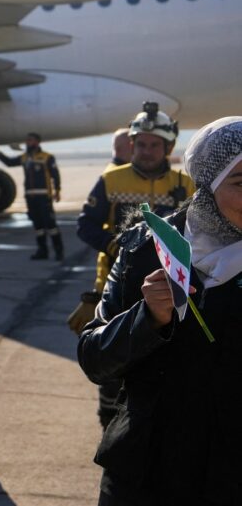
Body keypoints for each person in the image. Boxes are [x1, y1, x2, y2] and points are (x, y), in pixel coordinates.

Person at [77, 116, 242, 506]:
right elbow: (94, 359)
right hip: (147, 472)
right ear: (208, 184)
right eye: (240, 183)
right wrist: (148, 318)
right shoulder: (146, 248)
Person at [74, 101, 195, 427]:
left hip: (170, 295)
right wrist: (114, 244)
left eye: (155, 144)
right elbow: (85, 225)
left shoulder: (187, 184)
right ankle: (112, 444)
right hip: (117, 288)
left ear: (168, 147)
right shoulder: (111, 180)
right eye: (140, 144)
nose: (146, 150)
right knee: (112, 381)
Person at [0, 132, 63, 261]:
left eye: (30, 140)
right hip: (31, 197)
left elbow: (55, 174)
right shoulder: (25, 158)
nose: (27, 143)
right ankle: (42, 251)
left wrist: (57, 190)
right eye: (27, 140)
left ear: (37, 142)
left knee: (50, 224)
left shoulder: (47, 157)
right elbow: (9, 162)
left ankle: (59, 251)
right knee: (38, 225)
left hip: (44, 196)